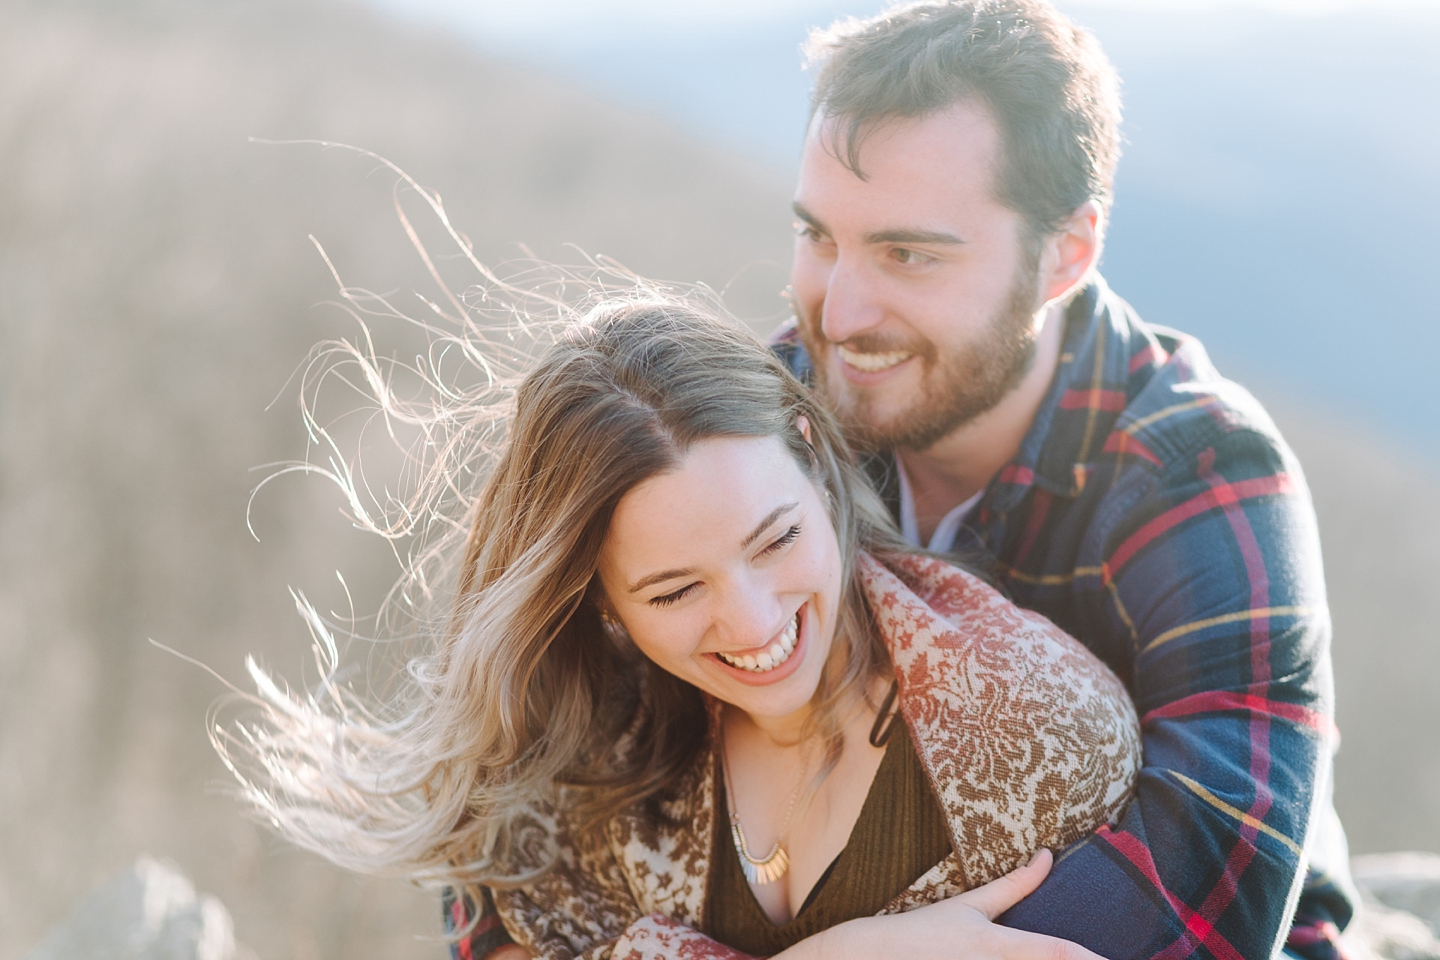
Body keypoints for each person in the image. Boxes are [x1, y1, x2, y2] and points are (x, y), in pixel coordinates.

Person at [223, 295, 1142, 960]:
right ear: (600, 602)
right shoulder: (592, 740)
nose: (752, 621)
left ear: (813, 458)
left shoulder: (1027, 729)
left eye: (775, 539)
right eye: (672, 592)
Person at [766, 2, 1353, 959]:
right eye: (820, 236)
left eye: (908, 253)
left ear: (1065, 255)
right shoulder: (770, 415)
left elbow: (1208, 903)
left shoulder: (1195, 470)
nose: (839, 309)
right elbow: (521, 744)